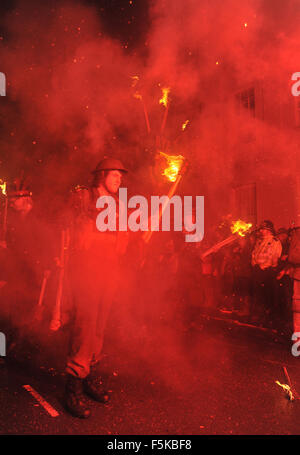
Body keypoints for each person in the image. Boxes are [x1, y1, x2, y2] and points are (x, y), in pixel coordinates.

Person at [64, 157, 128, 419]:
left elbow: (122, 237)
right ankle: (73, 388)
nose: (119, 180)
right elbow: (69, 229)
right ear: (101, 175)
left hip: (109, 272)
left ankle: (89, 377)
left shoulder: (119, 204)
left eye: (121, 177)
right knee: (85, 326)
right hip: (87, 271)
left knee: (100, 326)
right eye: (114, 175)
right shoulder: (83, 197)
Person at [251, 220, 282, 326]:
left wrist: (270, 268)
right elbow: (254, 253)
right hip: (258, 271)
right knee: (259, 295)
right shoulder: (259, 241)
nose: (261, 231)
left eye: (263, 229)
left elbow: (275, 256)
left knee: (269, 295)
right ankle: (260, 316)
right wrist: (255, 264)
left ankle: (270, 318)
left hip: (268, 271)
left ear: (268, 230)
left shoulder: (275, 241)